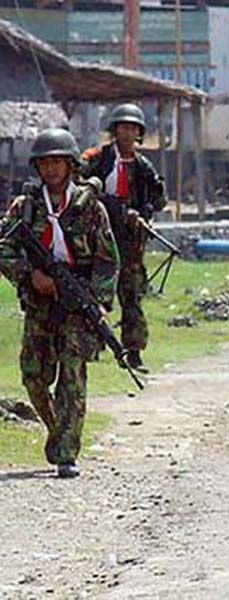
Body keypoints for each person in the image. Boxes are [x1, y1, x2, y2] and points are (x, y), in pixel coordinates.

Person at [0, 128, 119, 478]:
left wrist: (98, 301)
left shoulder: (89, 208)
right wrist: (28, 274)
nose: (51, 169)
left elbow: (108, 259)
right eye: (45, 163)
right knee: (33, 375)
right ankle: (58, 428)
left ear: (70, 165)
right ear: (37, 167)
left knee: (71, 373)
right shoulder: (25, 207)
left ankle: (67, 452)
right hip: (39, 300)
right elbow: (3, 247)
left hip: (77, 298)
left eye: (58, 162)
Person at [80, 103, 166, 373]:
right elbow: (79, 184)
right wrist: (113, 206)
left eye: (132, 129)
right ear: (114, 130)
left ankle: (134, 350)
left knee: (132, 296)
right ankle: (93, 345)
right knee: (94, 292)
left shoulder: (143, 166)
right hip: (99, 237)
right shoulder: (98, 158)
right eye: (122, 128)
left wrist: (141, 214)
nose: (127, 134)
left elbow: (158, 200)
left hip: (130, 241)